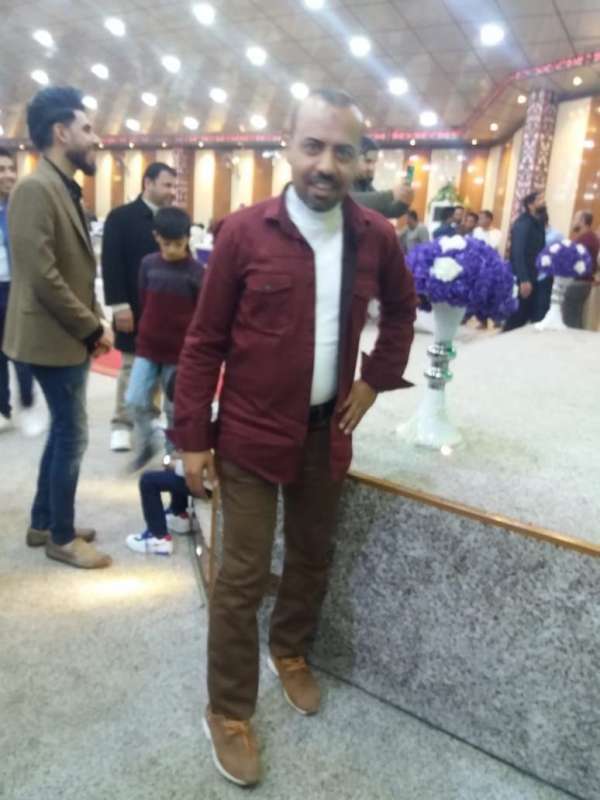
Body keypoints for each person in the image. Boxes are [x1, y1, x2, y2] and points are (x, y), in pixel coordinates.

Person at [174, 88, 416, 787]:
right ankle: (228, 710)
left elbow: (402, 311)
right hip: (248, 433)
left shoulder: (375, 236)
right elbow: (204, 341)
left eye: (342, 151)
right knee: (242, 576)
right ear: (287, 147)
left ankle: (290, 650)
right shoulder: (244, 233)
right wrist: (193, 437)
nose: (326, 164)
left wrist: (375, 380)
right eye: (313, 146)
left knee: (311, 556)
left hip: (325, 433)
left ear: (360, 160)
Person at [2, 86, 112, 569]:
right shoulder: (34, 189)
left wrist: (94, 318)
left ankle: (44, 521)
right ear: (61, 132)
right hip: (50, 338)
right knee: (73, 435)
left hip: (63, 335)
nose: (96, 137)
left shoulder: (61, 186)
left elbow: (75, 267)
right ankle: (61, 537)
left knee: (64, 430)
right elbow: (41, 276)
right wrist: (91, 328)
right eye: (87, 128)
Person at [101, 161, 177, 452]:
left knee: (159, 366)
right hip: (132, 307)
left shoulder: (171, 219)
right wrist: (119, 305)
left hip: (165, 309)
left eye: (174, 186)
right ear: (148, 183)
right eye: (167, 185)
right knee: (131, 367)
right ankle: (122, 424)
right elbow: (111, 263)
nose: (172, 191)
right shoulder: (121, 217)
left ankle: (151, 417)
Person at [125, 206, 203, 471]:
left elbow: (202, 315)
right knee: (134, 399)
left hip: (179, 353)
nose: (172, 250)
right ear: (156, 236)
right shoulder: (148, 264)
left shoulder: (196, 272)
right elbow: (143, 301)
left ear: (188, 238)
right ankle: (149, 440)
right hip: (148, 346)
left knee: (174, 409)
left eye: (178, 244)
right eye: (166, 244)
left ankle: (172, 457)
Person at [0, 147, 38, 434]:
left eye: (12, 169)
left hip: (17, 287)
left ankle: (27, 402)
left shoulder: (21, 207)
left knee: (22, 350)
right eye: (2, 170)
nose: (9, 175)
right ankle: (2, 408)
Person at [126, 450, 191, 556]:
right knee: (174, 456)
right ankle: (178, 512)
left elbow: (193, 470)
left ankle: (158, 537)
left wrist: (172, 463)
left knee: (147, 481)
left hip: (204, 484)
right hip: (206, 480)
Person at [504, 190, 547, 332]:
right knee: (517, 316)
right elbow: (518, 252)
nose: (544, 202)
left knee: (526, 315)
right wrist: (524, 279)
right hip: (523, 277)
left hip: (533, 275)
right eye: (540, 200)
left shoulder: (537, 223)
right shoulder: (524, 223)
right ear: (530, 204)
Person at [351, 135, 414, 219]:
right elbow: (350, 202)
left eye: (374, 163)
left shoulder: (364, 184)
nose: (371, 168)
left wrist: (404, 202)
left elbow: (387, 211)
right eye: (368, 161)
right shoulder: (341, 180)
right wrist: (391, 194)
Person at [572, 210, 599, 277]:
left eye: (575, 219)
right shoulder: (587, 236)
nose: (573, 222)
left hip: (580, 279)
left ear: (583, 221)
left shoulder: (586, 239)